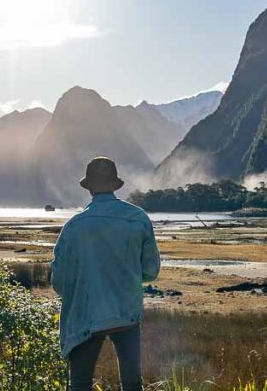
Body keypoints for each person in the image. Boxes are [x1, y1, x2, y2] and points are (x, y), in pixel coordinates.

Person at [51, 157, 161, 391]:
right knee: (132, 384)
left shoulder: (73, 227)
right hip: (126, 312)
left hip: (86, 315)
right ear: (115, 185)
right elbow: (151, 272)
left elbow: (59, 282)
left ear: (89, 187)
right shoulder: (138, 218)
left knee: (80, 383)